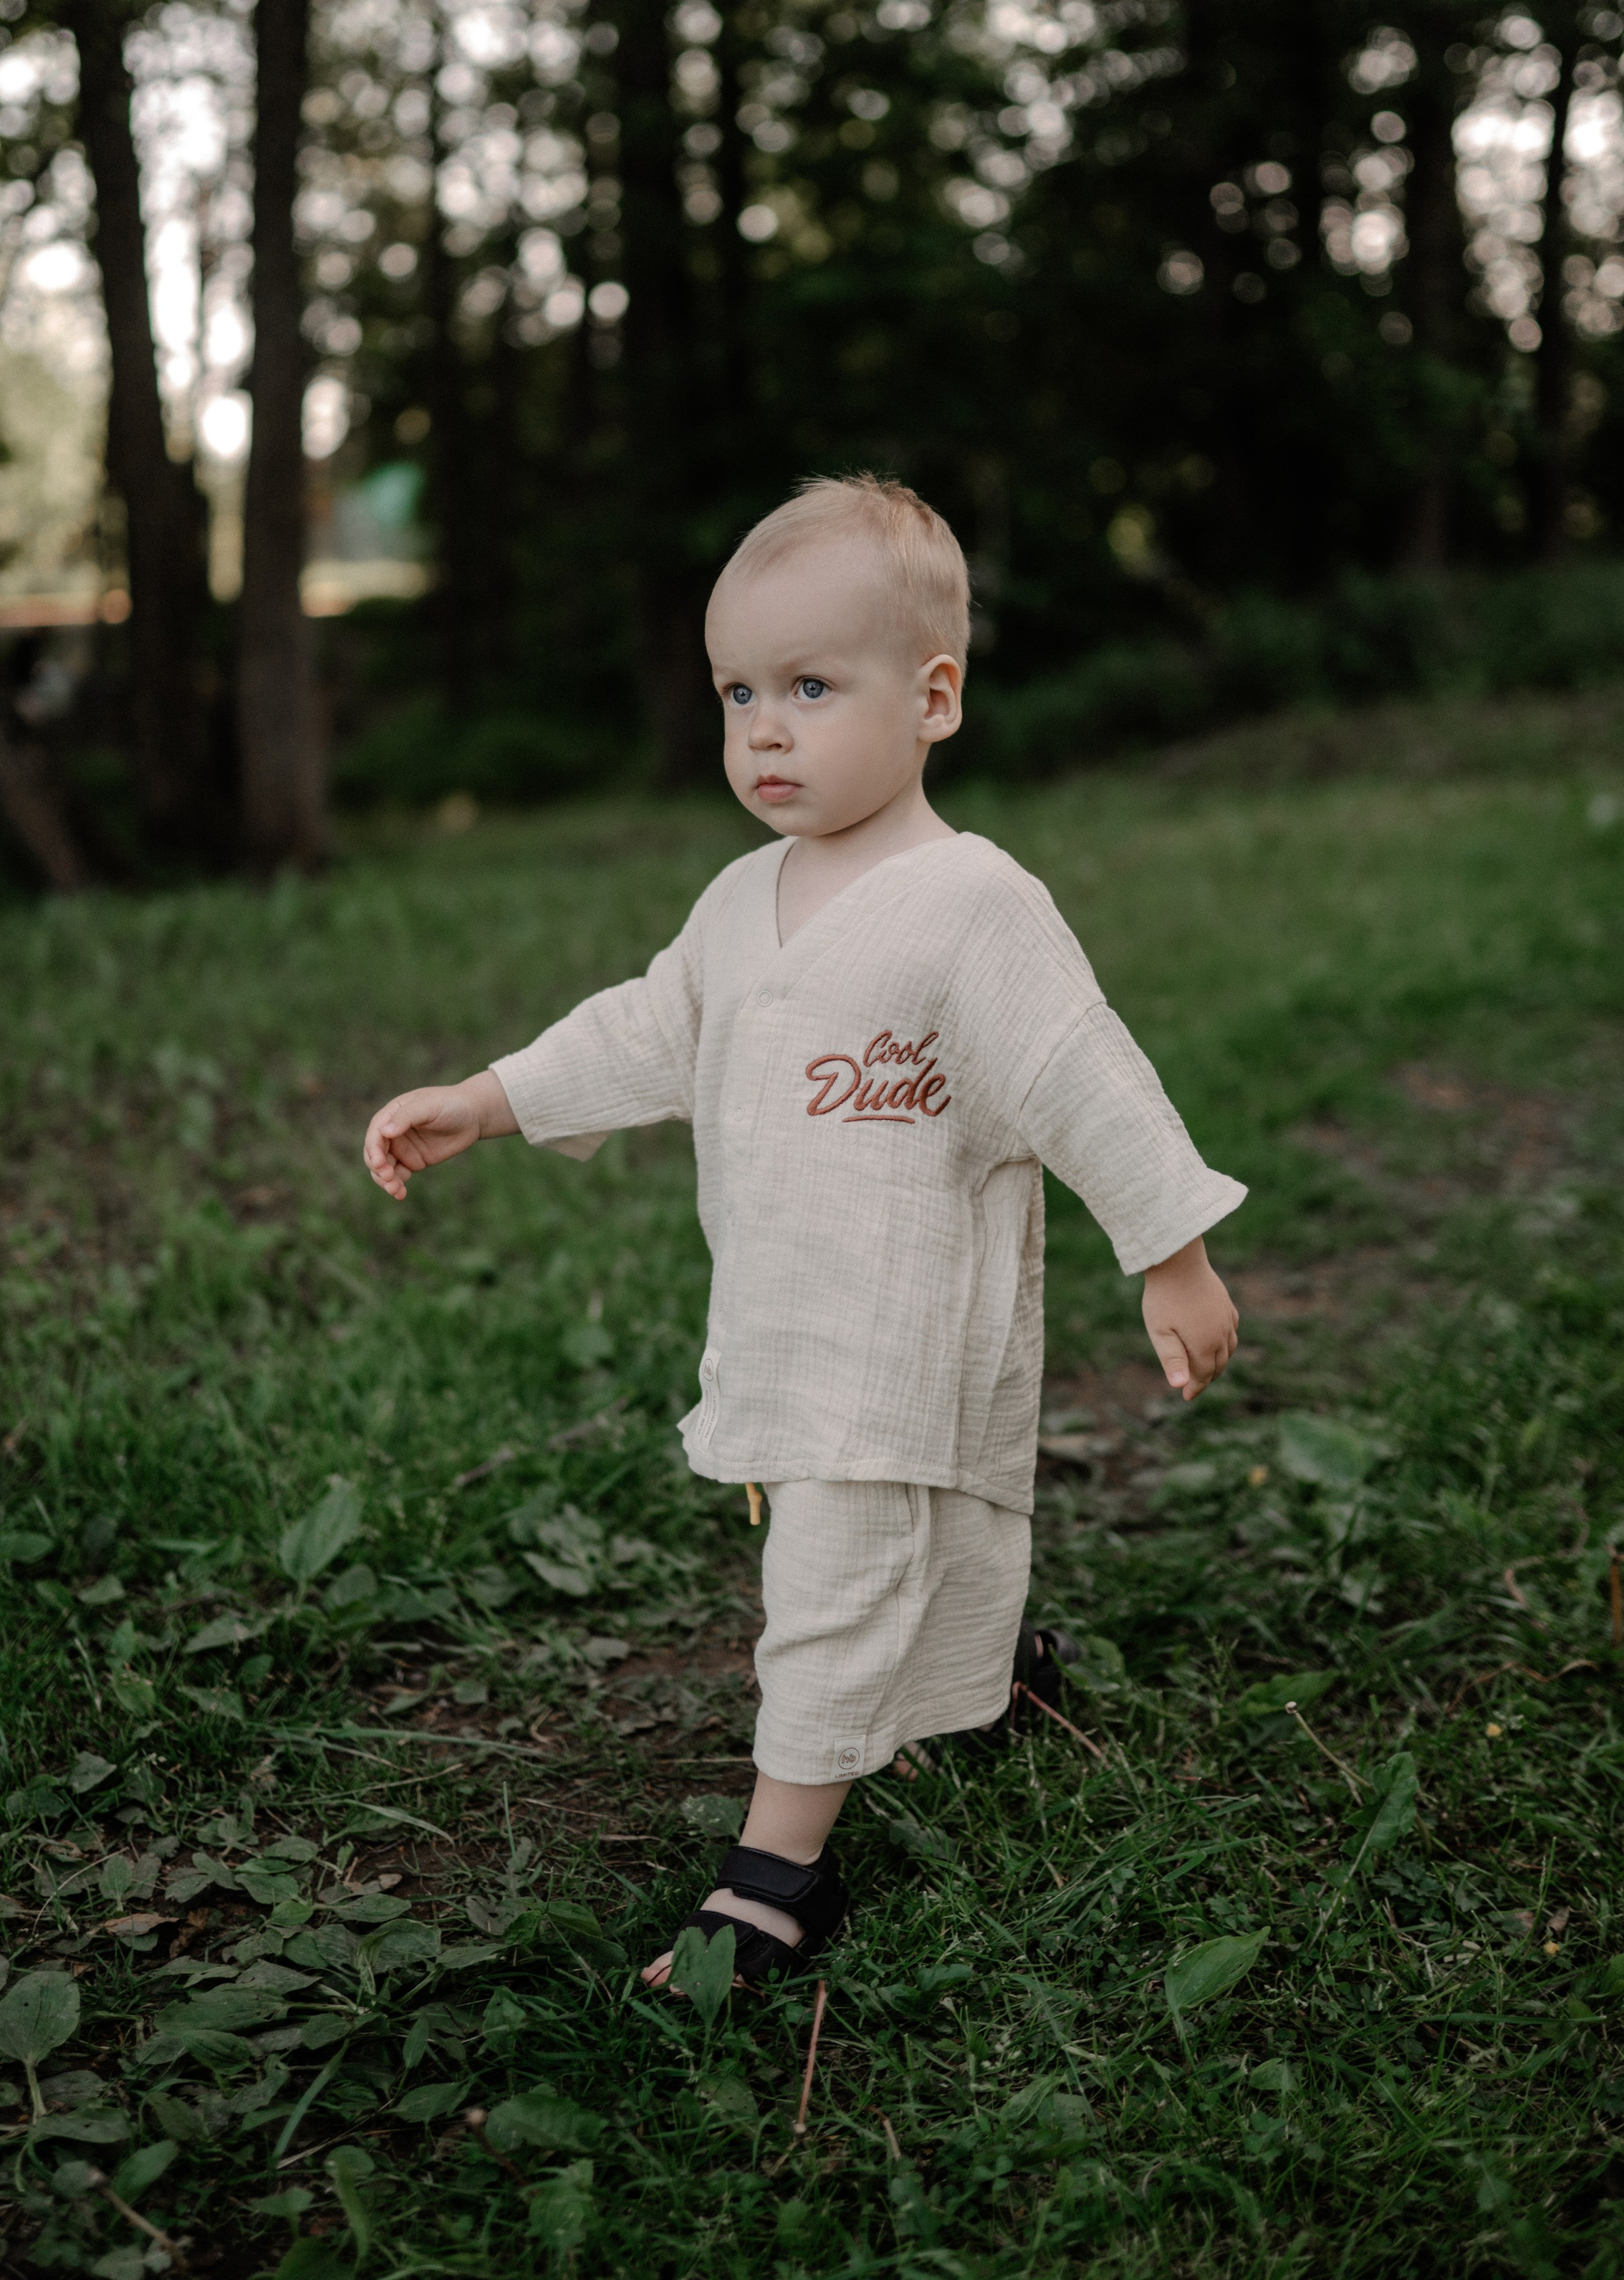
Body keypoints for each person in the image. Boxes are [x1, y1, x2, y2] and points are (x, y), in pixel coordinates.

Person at [362, 474, 1244, 1991]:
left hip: (902, 1320)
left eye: (811, 686)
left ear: (933, 697)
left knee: (832, 1581)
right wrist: (492, 1096)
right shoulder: (736, 898)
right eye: (736, 692)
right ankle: (988, 1671)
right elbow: (647, 1027)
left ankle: (771, 1879)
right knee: (937, 1532)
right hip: (786, 1311)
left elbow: (1080, 1074)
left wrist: (1168, 1247)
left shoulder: (972, 903)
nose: (763, 727)